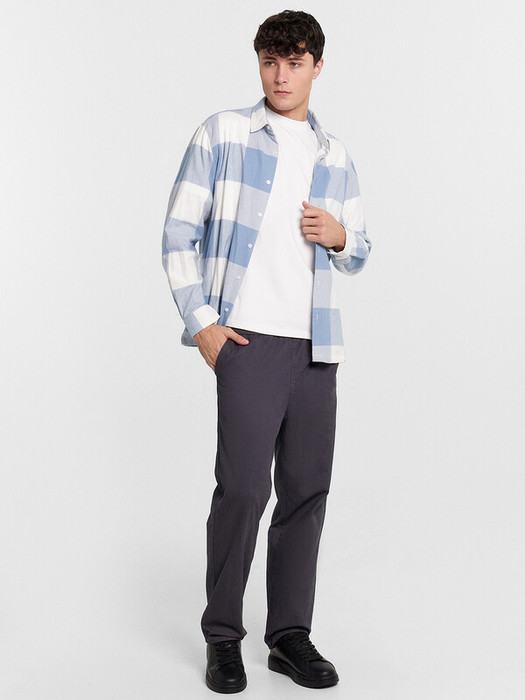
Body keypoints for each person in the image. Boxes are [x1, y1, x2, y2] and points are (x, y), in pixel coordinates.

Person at [161, 9, 372, 693]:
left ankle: (289, 637)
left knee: (306, 492)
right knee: (244, 490)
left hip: (315, 346)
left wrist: (340, 236)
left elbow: (359, 250)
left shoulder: (335, 156)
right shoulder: (222, 133)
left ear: (317, 67)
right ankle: (223, 636)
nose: (281, 76)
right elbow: (177, 232)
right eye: (270, 61)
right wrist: (203, 324)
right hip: (246, 341)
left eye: (295, 62)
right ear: (259, 63)